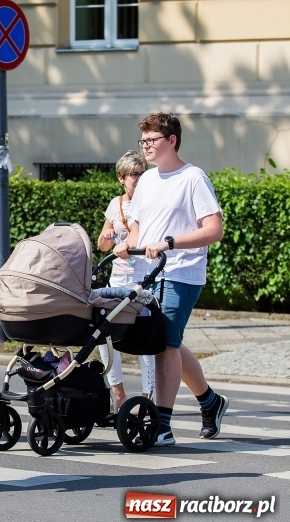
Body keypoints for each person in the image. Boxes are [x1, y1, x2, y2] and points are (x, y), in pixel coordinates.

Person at [114, 112, 228, 447]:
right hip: (146, 273)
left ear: (172, 141)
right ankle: (210, 401)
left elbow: (214, 229)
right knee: (168, 340)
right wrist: (127, 245)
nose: (146, 147)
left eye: (152, 140)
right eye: (143, 141)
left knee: (165, 343)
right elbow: (138, 228)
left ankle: (161, 425)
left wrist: (171, 242)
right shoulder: (147, 181)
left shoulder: (193, 178)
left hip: (181, 271)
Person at [96, 150, 155, 407]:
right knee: (105, 337)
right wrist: (107, 238)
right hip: (117, 279)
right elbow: (101, 246)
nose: (139, 179)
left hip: (143, 279)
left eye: (143, 174)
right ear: (121, 177)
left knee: (145, 339)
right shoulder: (115, 204)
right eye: (134, 174)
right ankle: (119, 395)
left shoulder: (152, 203)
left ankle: (147, 397)